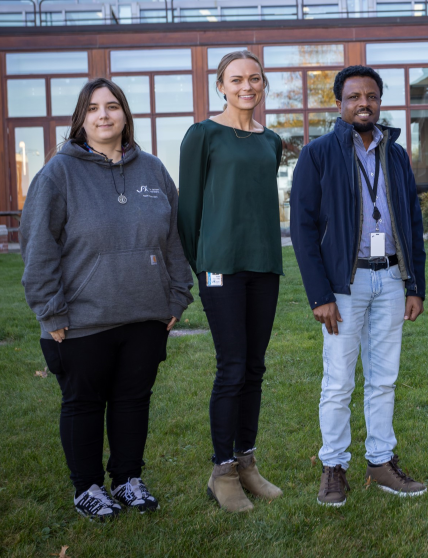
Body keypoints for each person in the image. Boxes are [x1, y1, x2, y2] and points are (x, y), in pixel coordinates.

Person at [21, 78, 193, 521]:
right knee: (83, 403)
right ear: (81, 118)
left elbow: (174, 240)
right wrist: (51, 309)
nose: (103, 115)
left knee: (134, 400)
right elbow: (38, 247)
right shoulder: (58, 173)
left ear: (124, 115)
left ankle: (127, 480)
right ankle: (88, 488)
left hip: (145, 315)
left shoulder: (153, 169)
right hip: (81, 320)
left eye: (112, 106)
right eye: (93, 108)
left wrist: (176, 298)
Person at [291, 65, 427, 507]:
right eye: (354, 97)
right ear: (339, 104)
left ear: (379, 102)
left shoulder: (396, 154)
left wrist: (414, 285)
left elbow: (409, 220)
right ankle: (333, 466)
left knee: (384, 379)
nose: (363, 103)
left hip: (390, 277)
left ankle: (381, 462)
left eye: (371, 96)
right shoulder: (318, 154)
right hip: (343, 285)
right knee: (338, 381)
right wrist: (320, 295)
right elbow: (303, 229)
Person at [178, 50, 285, 513]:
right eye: (237, 79)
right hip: (220, 266)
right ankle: (221, 471)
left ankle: (246, 462)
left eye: (255, 79)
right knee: (232, 367)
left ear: (264, 85)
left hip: (264, 264)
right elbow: (188, 211)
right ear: (220, 85)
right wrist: (199, 264)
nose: (247, 86)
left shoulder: (272, 140)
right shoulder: (202, 135)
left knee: (256, 367)